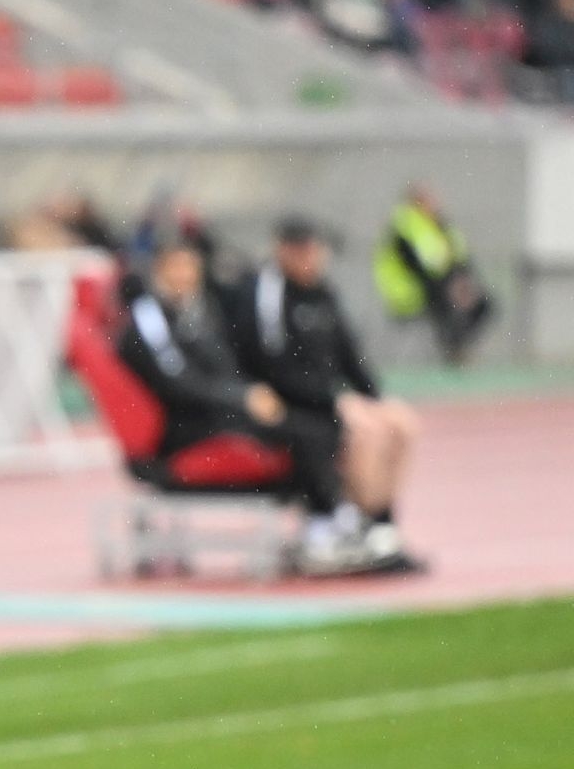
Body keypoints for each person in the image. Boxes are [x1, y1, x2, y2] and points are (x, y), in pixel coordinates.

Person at [118, 239, 360, 576]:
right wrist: (241, 398)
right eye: (176, 266)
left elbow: (224, 368)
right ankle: (327, 524)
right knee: (303, 434)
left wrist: (249, 393)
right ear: (159, 271)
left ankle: (331, 517)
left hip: (214, 413)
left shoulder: (196, 312)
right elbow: (177, 382)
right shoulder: (149, 319)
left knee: (317, 423)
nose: (185, 275)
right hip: (183, 429)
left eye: (190, 267)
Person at [228, 217, 423, 572]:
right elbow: (270, 365)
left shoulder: (323, 292)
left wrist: (373, 396)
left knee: (401, 423)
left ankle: (382, 524)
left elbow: (348, 352)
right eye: (301, 251)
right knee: (365, 430)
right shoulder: (266, 294)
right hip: (289, 402)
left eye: (315, 251)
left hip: (325, 397)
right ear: (283, 251)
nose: (311, 259)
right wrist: (334, 400)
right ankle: (358, 521)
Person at [373, 184, 492, 365]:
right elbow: (415, 266)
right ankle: (453, 347)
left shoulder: (440, 225)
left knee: (483, 303)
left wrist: (462, 281)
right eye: (431, 199)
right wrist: (450, 284)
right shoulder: (404, 226)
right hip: (407, 291)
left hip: (440, 284)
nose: (436, 203)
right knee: (442, 296)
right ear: (417, 202)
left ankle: (457, 344)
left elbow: (459, 256)